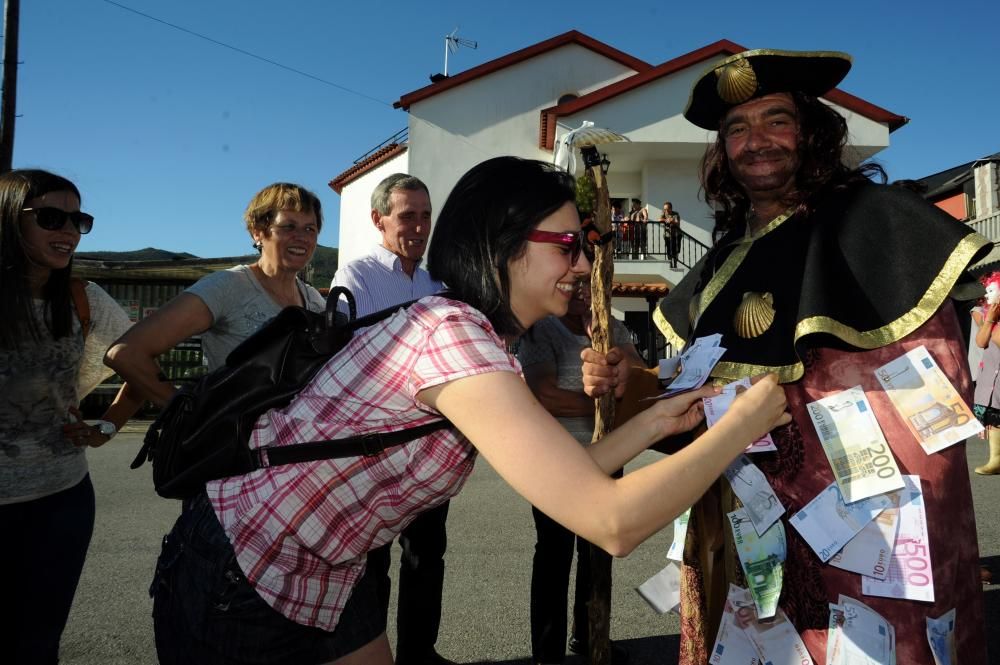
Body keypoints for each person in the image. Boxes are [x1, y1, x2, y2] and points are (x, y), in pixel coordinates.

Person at [148, 156, 790, 665]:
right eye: (569, 243)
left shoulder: (480, 340)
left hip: (326, 570)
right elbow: (610, 522)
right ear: (505, 244)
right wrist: (741, 426)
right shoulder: (454, 338)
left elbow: (569, 472)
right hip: (246, 571)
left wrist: (653, 421)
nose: (586, 262)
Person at [584, 49, 989, 663]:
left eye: (775, 120)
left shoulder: (879, 224)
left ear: (811, 131)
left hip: (858, 531)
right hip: (739, 534)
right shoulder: (720, 263)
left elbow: (929, 397)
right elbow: (690, 403)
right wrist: (634, 383)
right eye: (737, 130)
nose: (756, 141)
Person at [0, 169, 145, 663]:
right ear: (9, 220)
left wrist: (109, 424)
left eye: (77, 220)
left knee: (38, 644)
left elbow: (143, 364)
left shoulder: (84, 298)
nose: (67, 231)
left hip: (61, 501)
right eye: (50, 218)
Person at [330, 173, 449, 665]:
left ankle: (419, 655)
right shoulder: (355, 278)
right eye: (407, 216)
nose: (419, 226)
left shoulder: (436, 283)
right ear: (379, 220)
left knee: (427, 558)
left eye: (424, 215)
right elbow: (346, 359)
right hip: (373, 448)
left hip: (425, 446)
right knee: (371, 565)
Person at [105, 182, 326, 407]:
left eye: (310, 228)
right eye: (288, 226)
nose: (302, 237)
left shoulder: (314, 301)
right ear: (258, 232)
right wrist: (188, 415)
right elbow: (126, 353)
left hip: (302, 439)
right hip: (238, 439)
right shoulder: (228, 287)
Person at [518, 281, 642, 665]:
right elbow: (544, 393)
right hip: (557, 463)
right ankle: (547, 654)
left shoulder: (613, 329)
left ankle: (590, 639)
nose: (584, 295)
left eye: (591, 288)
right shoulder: (541, 330)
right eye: (576, 287)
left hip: (607, 458)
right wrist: (604, 408)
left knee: (596, 556)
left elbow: (638, 376)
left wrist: (610, 350)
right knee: (554, 557)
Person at [971, 272, 1000, 475]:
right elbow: (981, 341)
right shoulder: (983, 313)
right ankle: (995, 459)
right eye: (987, 291)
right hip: (990, 375)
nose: (987, 296)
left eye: (993, 291)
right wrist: (990, 319)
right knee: (994, 416)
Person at [659, 201, 681, 269]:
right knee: (669, 250)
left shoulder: (675, 214)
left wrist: (672, 221)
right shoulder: (664, 213)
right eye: (664, 209)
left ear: (671, 208)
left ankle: (675, 264)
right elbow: (659, 219)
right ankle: (670, 263)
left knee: (676, 251)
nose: (666, 210)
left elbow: (677, 223)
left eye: (667, 209)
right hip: (667, 235)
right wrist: (666, 220)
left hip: (676, 235)